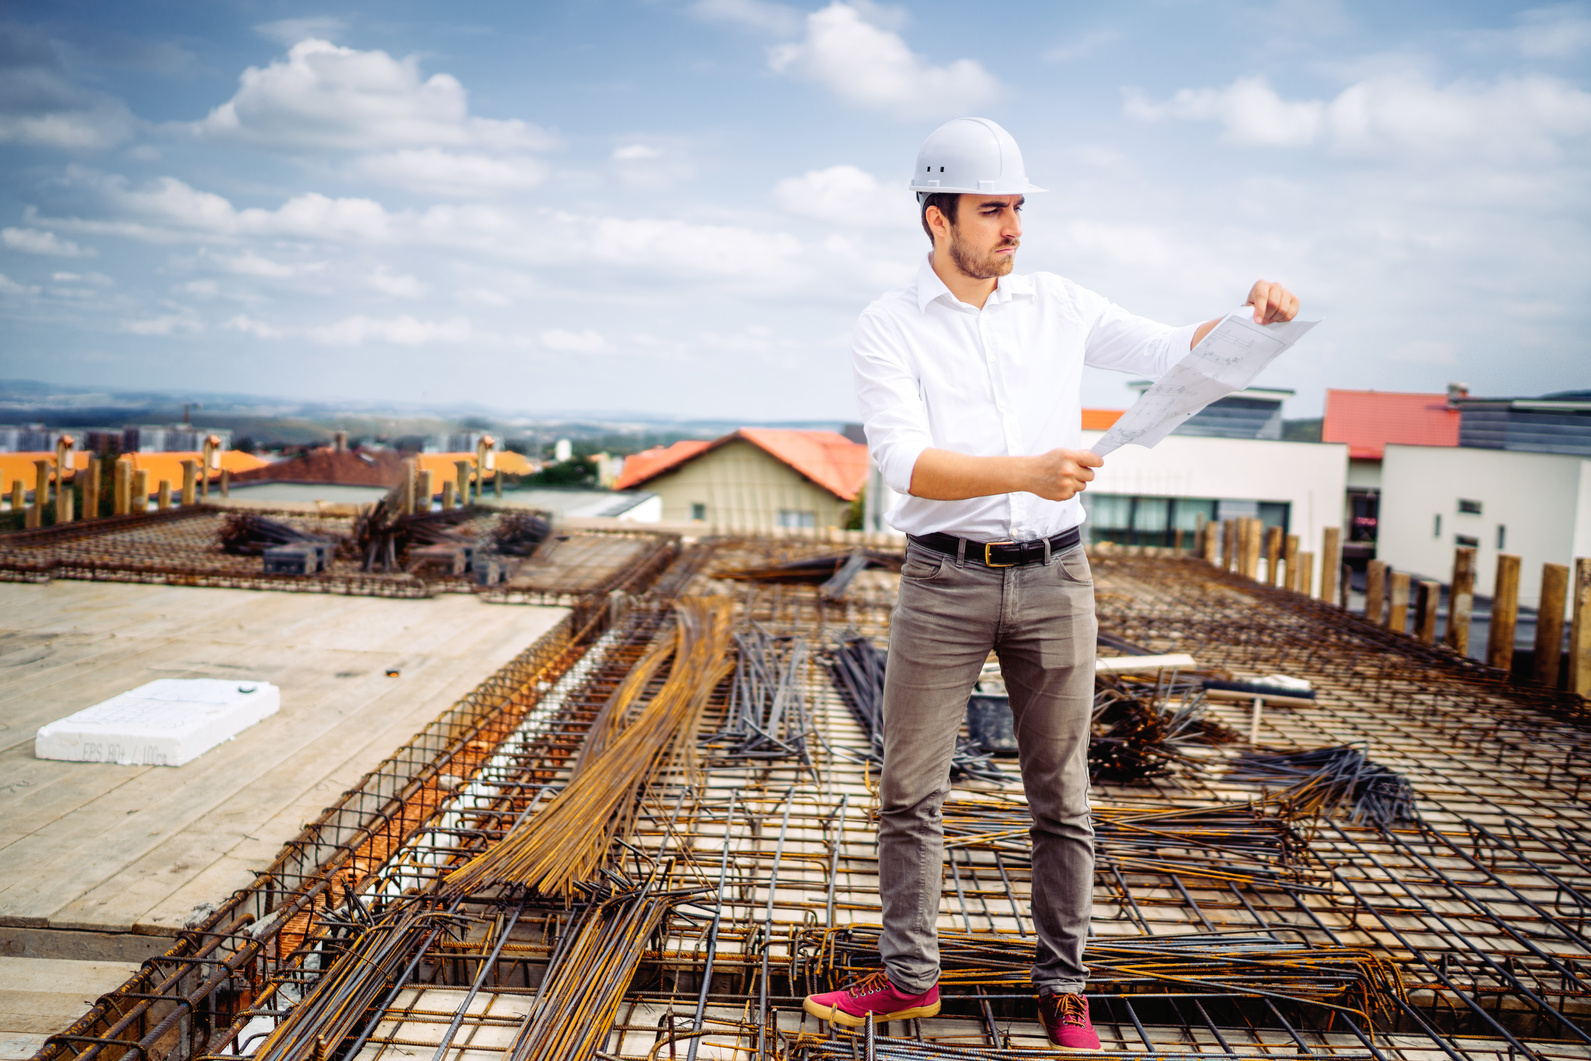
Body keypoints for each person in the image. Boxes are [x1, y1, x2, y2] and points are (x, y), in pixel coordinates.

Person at [802, 117, 1299, 1046]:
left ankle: (1062, 987)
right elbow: (904, 462)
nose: (1012, 228)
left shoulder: (1057, 303)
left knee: (1059, 793)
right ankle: (909, 980)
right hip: (942, 582)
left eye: (1018, 209)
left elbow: (1168, 348)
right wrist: (1023, 471)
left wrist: (1248, 316)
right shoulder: (888, 324)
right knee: (910, 791)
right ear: (934, 219)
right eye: (991, 210)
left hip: (1055, 577)